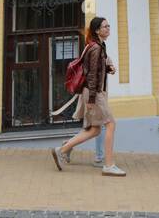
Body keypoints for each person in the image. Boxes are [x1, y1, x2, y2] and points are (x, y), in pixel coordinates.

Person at [52, 16, 125, 176]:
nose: (108, 29)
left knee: (95, 129)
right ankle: (108, 164)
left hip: (94, 92)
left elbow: (97, 68)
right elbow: (91, 75)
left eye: (109, 26)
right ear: (97, 30)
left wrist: (109, 68)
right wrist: (92, 99)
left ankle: (62, 149)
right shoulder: (96, 48)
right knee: (111, 124)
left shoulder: (98, 45)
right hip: (94, 93)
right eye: (105, 27)